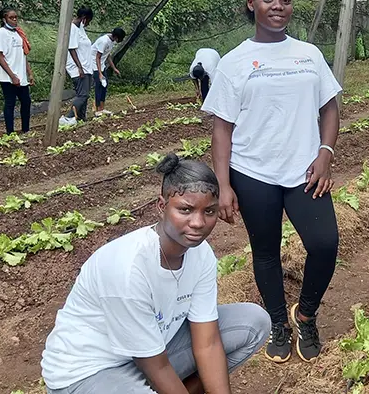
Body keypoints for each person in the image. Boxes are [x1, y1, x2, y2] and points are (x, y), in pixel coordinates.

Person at [201, 0, 342, 364]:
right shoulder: (235, 62)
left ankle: (307, 313)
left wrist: (325, 152)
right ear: (252, 3)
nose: (278, 6)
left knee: (325, 243)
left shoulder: (309, 54)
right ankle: (279, 323)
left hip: (304, 171)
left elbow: (330, 106)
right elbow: (222, 128)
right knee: (265, 251)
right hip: (253, 172)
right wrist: (223, 185)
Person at [41, 154, 270, 394]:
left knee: (253, 322)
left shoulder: (200, 255)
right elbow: (156, 367)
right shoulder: (128, 268)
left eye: (209, 211)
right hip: (90, 372)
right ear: (162, 206)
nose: (198, 222)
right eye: (185, 210)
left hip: (153, 350)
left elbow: (208, 343)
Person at [0, 7, 34, 135]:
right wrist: (12, 76)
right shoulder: (0, 34)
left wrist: (29, 73)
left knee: (26, 101)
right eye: (11, 18)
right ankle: (10, 133)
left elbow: (23, 54)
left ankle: (25, 129)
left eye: (16, 17)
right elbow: (0, 56)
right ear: (4, 19)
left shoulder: (18, 33)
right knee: (10, 103)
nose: (15, 20)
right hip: (7, 76)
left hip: (20, 74)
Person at [59, 7, 94, 126]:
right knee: (82, 94)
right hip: (78, 68)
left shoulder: (80, 28)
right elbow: (72, 48)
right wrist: (79, 67)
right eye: (89, 21)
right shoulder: (72, 28)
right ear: (84, 18)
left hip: (86, 67)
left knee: (85, 95)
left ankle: (81, 118)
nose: (88, 24)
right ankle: (68, 117)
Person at [92, 27, 126, 117]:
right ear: (116, 37)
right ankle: (97, 110)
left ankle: (102, 109)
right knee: (99, 87)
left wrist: (114, 68)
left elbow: (107, 55)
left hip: (101, 65)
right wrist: (99, 73)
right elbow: (97, 57)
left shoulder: (111, 42)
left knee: (104, 86)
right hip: (94, 65)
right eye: (120, 39)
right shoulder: (104, 41)